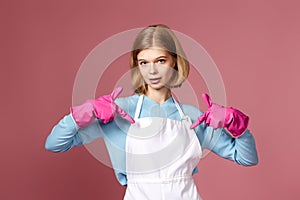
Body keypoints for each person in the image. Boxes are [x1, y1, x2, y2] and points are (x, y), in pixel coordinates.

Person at [45, 24, 258, 200]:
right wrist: (84, 112)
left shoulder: (193, 117)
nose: (152, 71)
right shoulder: (118, 112)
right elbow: (54, 144)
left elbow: (247, 158)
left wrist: (237, 126)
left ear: (175, 61)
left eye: (160, 61)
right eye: (144, 63)